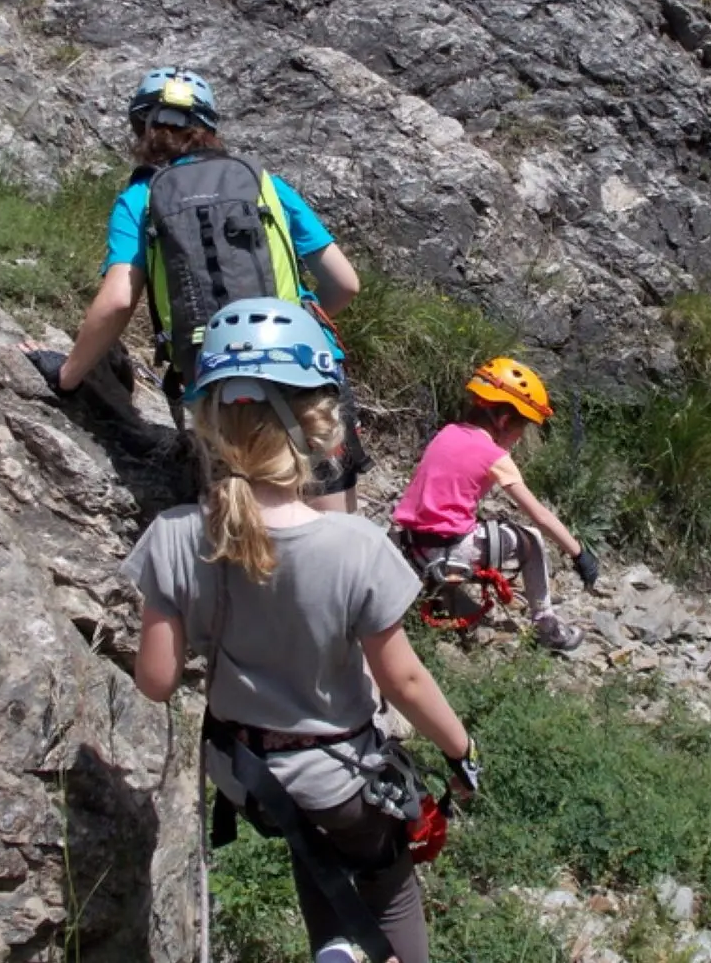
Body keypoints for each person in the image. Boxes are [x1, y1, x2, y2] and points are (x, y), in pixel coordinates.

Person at [125, 298, 479, 963]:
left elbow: (157, 681)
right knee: (389, 885)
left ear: (209, 420)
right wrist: (461, 750)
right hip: (339, 775)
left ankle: (337, 948)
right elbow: (401, 679)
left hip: (248, 772)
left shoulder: (173, 536)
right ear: (320, 424)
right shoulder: (353, 544)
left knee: (312, 851)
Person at [22, 66, 369, 513]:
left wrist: (67, 376)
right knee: (333, 535)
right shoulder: (263, 182)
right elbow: (345, 283)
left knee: (244, 532)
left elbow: (118, 300)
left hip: (217, 384)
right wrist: (294, 327)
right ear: (208, 130)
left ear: (142, 127)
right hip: (309, 371)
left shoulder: (140, 199)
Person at [392, 358, 598, 653]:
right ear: (503, 420)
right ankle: (547, 624)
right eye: (521, 428)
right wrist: (579, 555)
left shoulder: (447, 432)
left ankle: (438, 596)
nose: (519, 437)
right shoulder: (494, 455)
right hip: (448, 550)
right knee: (531, 539)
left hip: (411, 545)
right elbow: (539, 516)